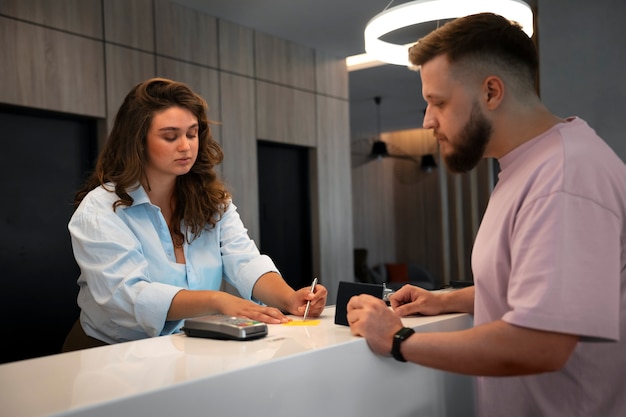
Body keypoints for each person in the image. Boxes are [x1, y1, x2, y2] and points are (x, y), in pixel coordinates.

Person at [347, 12, 625, 417]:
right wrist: (444, 302)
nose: (427, 121)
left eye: (438, 102)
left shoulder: (565, 176)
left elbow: (541, 341)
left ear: (492, 92)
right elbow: (538, 292)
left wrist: (398, 339)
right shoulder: (528, 166)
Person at [67, 77, 327, 346]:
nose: (186, 146)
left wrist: (290, 299)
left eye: (192, 134)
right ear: (138, 141)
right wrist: (217, 300)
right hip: (110, 353)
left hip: (185, 345)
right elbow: (128, 295)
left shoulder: (212, 201)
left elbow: (245, 260)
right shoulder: (100, 210)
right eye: (170, 136)